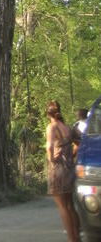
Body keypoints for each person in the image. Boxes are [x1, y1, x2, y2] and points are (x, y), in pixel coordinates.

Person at [46, 100, 80, 242]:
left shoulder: (51, 127)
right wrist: (71, 155)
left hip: (58, 170)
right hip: (69, 169)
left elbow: (49, 147)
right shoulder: (67, 127)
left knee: (62, 207)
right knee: (70, 205)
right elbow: (78, 143)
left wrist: (51, 159)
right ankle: (77, 237)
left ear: (48, 113)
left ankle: (71, 239)